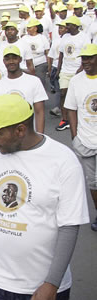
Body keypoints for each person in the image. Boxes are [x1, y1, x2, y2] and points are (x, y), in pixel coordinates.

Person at [0, 94, 88, 300]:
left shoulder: (63, 162)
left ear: (20, 130)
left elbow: (69, 226)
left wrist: (51, 284)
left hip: (39, 288)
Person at [65, 44, 97, 231]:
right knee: (93, 182)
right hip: (85, 141)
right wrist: (75, 137)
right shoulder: (76, 81)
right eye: (83, 58)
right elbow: (72, 110)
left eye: (90, 58)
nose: (86, 62)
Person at [0, 45, 48, 133]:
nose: (11, 62)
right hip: (8, 137)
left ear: (20, 59)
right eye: (8, 59)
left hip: (30, 136)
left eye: (14, 58)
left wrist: (40, 135)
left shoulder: (34, 81)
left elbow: (39, 112)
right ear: (4, 61)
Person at [56, 16, 91, 131]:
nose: (67, 27)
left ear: (75, 26)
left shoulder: (84, 37)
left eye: (69, 25)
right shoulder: (65, 37)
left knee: (79, 96)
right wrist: (58, 70)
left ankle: (80, 118)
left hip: (79, 71)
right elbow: (61, 54)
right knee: (63, 94)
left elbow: (86, 55)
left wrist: (81, 69)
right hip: (65, 71)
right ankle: (65, 120)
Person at [22, 18, 50, 89]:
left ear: (35, 28)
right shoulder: (24, 38)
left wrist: (49, 66)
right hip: (28, 64)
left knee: (40, 83)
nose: (28, 29)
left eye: (30, 28)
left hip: (40, 63)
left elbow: (47, 52)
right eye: (27, 28)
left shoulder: (42, 38)